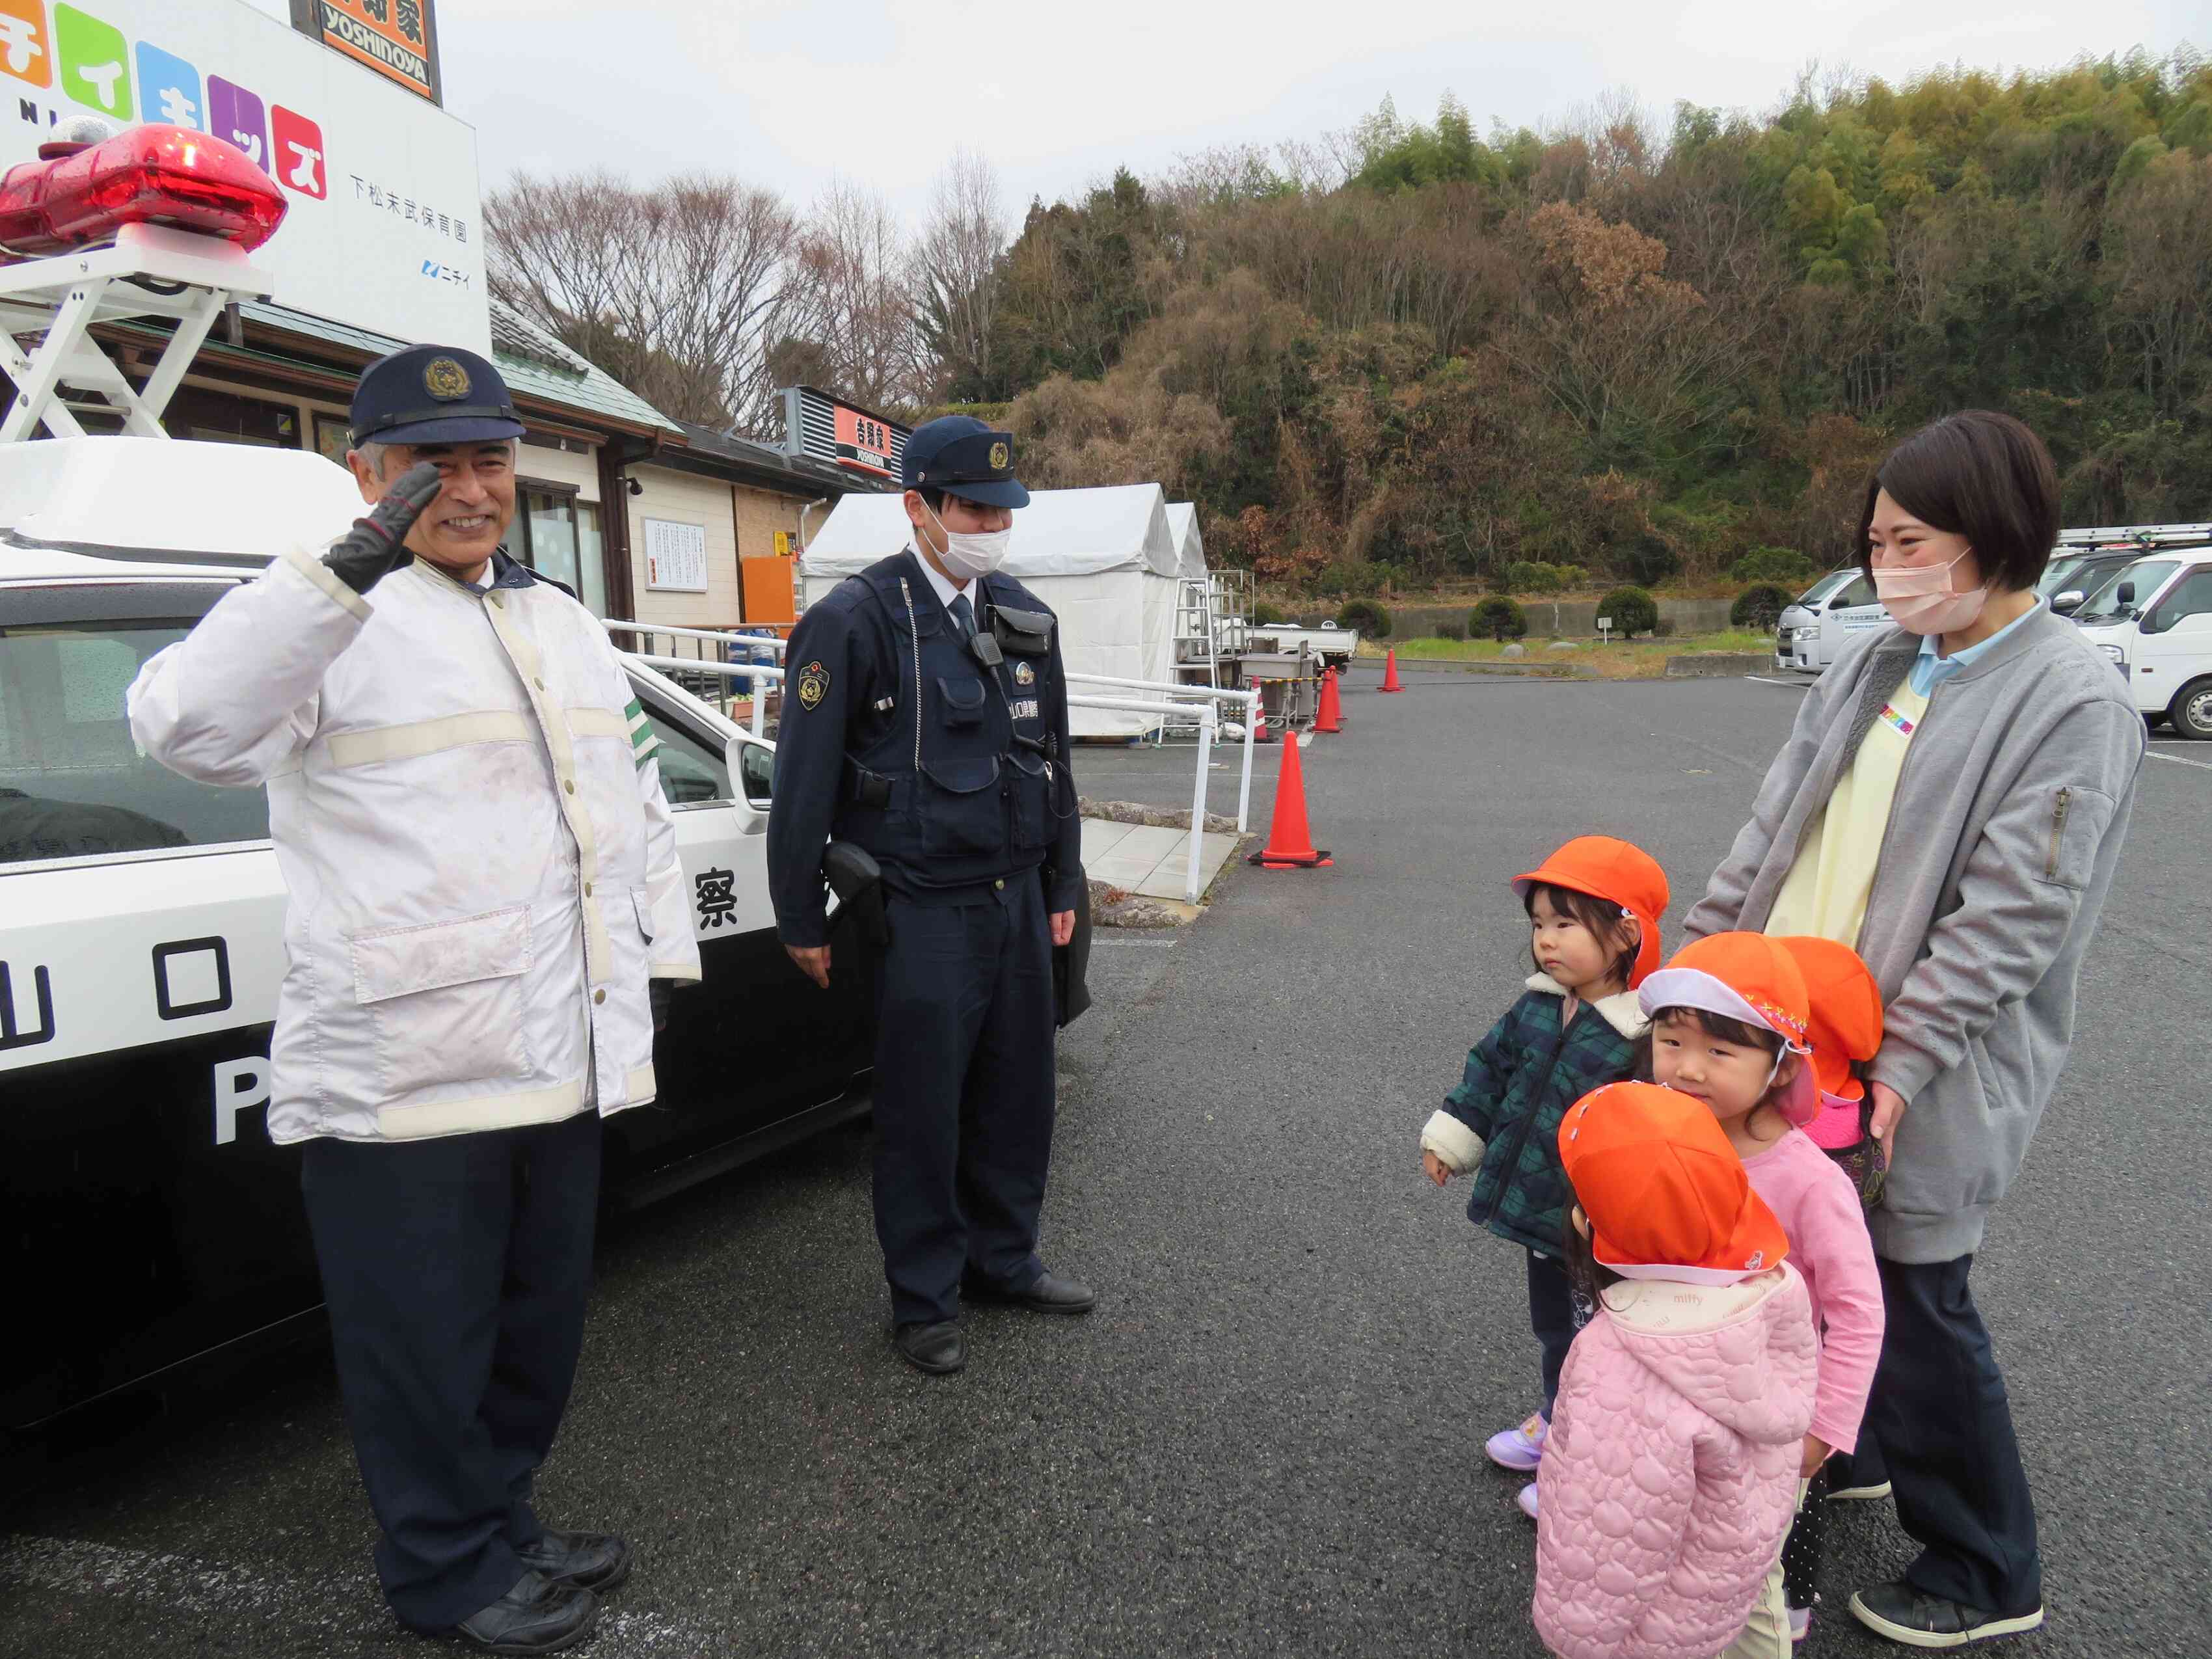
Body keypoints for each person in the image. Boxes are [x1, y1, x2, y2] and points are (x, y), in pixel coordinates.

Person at [128, 344, 701, 1655]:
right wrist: (342, 565)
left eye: (488, 458)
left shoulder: (552, 616)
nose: (467, 488)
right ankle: (440, 1570)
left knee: (530, 1326)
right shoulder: (329, 617)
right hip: (403, 1073)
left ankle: (498, 1517)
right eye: (428, 465)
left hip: (559, 1047)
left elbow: (628, 809)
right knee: (422, 1347)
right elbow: (184, 730)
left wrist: (649, 975)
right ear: (366, 475)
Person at [1683, 410, 2146, 1647]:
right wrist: (1693, 986)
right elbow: (1771, 833)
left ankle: (1988, 1563)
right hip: (1789, 1031)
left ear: (1993, 535)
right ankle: (1858, 1450)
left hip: (1926, 1061)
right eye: (1876, 541)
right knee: (1804, 1262)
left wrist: (1901, 1066)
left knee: (1916, 1283)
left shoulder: (2070, 697)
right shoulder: (1880, 660)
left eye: (1911, 540)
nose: (1887, 564)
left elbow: (2013, 918)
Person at [765, 415, 1092, 1377]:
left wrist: (1063, 879)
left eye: (1001, 509)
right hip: (920, 906)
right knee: (922, 1109)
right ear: (918, 508)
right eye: (970, 507)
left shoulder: (1025, 614)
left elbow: (1054, 761)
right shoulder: (856, 618)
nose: (990, 524)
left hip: (1017, 899)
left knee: (1018, 1092)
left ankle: (1005, 1258)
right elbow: (804, 779)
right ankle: (923, 1296)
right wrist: (796, 912)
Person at [1638, 933, 1885, 1651]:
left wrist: (1826, 1428)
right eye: (1671, 1039)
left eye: (1720, 1052)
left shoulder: (1809, 1180)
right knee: (1667, 1556)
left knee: (1742, 1583)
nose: (1686, 1069)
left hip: (1766, 1420)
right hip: (1672, 1401)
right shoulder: (1659, 1135)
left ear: (1780, 1066)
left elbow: (1858, 1310)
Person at [1418, 835, 1667, 1520]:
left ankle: (1586, 1458)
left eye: (1565, 924)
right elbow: (1489, 1072)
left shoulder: (1641, 1034)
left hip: (1596, 1230)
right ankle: (1560, 1420)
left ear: (1625, 935)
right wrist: (1454, 1136)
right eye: (1538, 925)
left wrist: (1610, 1211)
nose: (1546, 942)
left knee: (1600, 1343)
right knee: (1556, 1330)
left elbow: (1646, 1138)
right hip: (1540, 1215)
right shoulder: (1536, 1006)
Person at [1533, 1081, 1818, 1659]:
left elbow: (1608, 1532)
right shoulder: (1772, 1290)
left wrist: (1573, 1639)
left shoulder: (1618, 1365)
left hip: (1648, 1630)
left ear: (1590, 1227)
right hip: (1722, 1591)